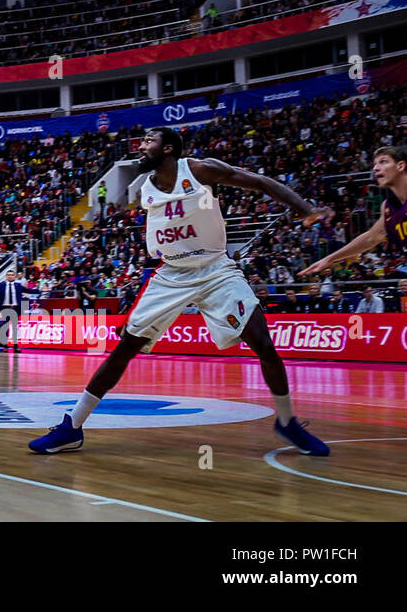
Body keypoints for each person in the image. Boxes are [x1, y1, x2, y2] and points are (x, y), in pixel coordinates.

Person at [30, 127, 332, 457]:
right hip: (171, 275)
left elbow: (259, 181)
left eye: (149, 142)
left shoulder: (201, 170)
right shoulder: (146, 187)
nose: (141, 147)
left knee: (262, 340)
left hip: (215, 269)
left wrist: (306, 208)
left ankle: (287, 421)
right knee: (124, 350)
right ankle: (72, 427)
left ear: (169, 148)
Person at [301, 146, 407, 283]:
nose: (375, 168)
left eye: (383, 162)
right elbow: (371, 238)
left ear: (401, 165)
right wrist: (329, 258)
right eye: (375, 164)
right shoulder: (388, 207)